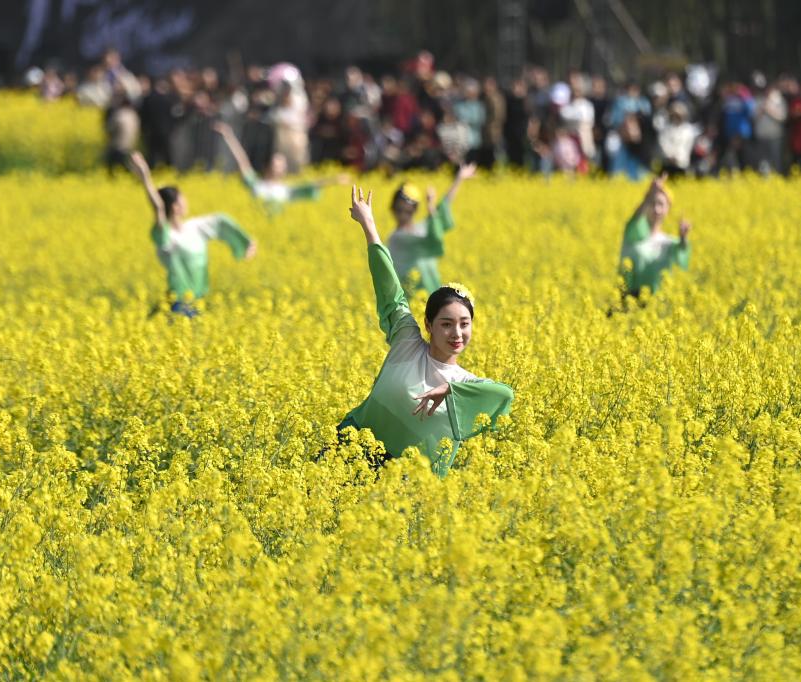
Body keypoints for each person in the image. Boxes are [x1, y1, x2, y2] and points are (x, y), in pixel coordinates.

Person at [340, 186, 514, 476]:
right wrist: (369, 226)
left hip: (406, 482)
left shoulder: (466, 384)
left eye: (464, 324)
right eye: (446, 324)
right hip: (351, 450)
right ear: (428, 325)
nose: (456, 333)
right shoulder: (406, 340)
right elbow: (389, 288)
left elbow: (505, 396)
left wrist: (451, 389)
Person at [129, 151, 257, 316]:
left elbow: (221, 221)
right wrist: (145, 178)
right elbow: (159, 209)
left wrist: (246, 243)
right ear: (175, 207)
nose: (186, 201)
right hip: (178, 304)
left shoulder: (195, 227)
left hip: (198, 302)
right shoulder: (167, 238)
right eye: (182, 199)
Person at [214, 122, 347, 215]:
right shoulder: (256, 184)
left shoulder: (286, 190)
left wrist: (334, 180)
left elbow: (312, 186)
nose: (277, 166)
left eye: (281, 164)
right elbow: (242, 161)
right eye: (275, 162)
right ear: (267, 165)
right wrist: (229, 136)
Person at [387, 163, 476, 295]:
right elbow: (433, 240)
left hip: (431, 295)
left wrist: (459, 178)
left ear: (415, 211)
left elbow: (442, 208)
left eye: (408, 211)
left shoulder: (421, 229)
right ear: (392, 210)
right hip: (411, 299)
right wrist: (430, 208)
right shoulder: (396, 238)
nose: (403, 215)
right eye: (399, 210)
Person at [619, 174, 691, 297]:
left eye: (661, 204)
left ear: (668, 209)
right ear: (645, 205)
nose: (656, 209)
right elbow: (635, 220)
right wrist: (650, 194)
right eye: (652, 203)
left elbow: (681, 255)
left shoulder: (669, 243)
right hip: (627, 299)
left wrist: (683, 238)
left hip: (655, 302)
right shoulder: (634, 234)